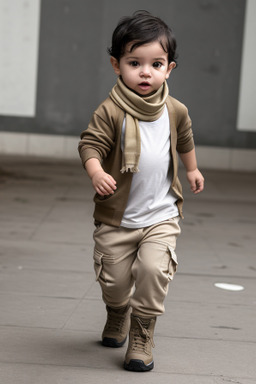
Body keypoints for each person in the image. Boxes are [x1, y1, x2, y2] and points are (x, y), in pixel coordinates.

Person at [78, 10, 204, 372]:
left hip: (160, 215)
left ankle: (143, 331)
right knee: (114, 283)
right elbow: (90, 144)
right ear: (117, 66)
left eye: (156, 63)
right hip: (117, 219)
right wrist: (96, 171)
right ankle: (117, 310)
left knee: (153, 269)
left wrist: (192, 168)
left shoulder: (174, 110)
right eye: (135, 62)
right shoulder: (110, 111)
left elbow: (184, 139)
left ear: (169, 68)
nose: (145, 72)